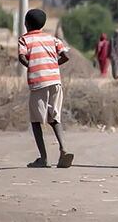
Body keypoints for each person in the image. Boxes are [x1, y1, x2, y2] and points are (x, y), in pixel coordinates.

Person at [17, 9, 74, 168]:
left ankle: (43, 158)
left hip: (39, 83)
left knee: (36, 121)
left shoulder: (25, 40)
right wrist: (53, 64)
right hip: (55, 81)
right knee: (54, 117)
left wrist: (32, 66)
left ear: (26, 24)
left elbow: (22, 57)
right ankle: (63, 149)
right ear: (43, 24)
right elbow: (66, 56)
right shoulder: (52, 39)